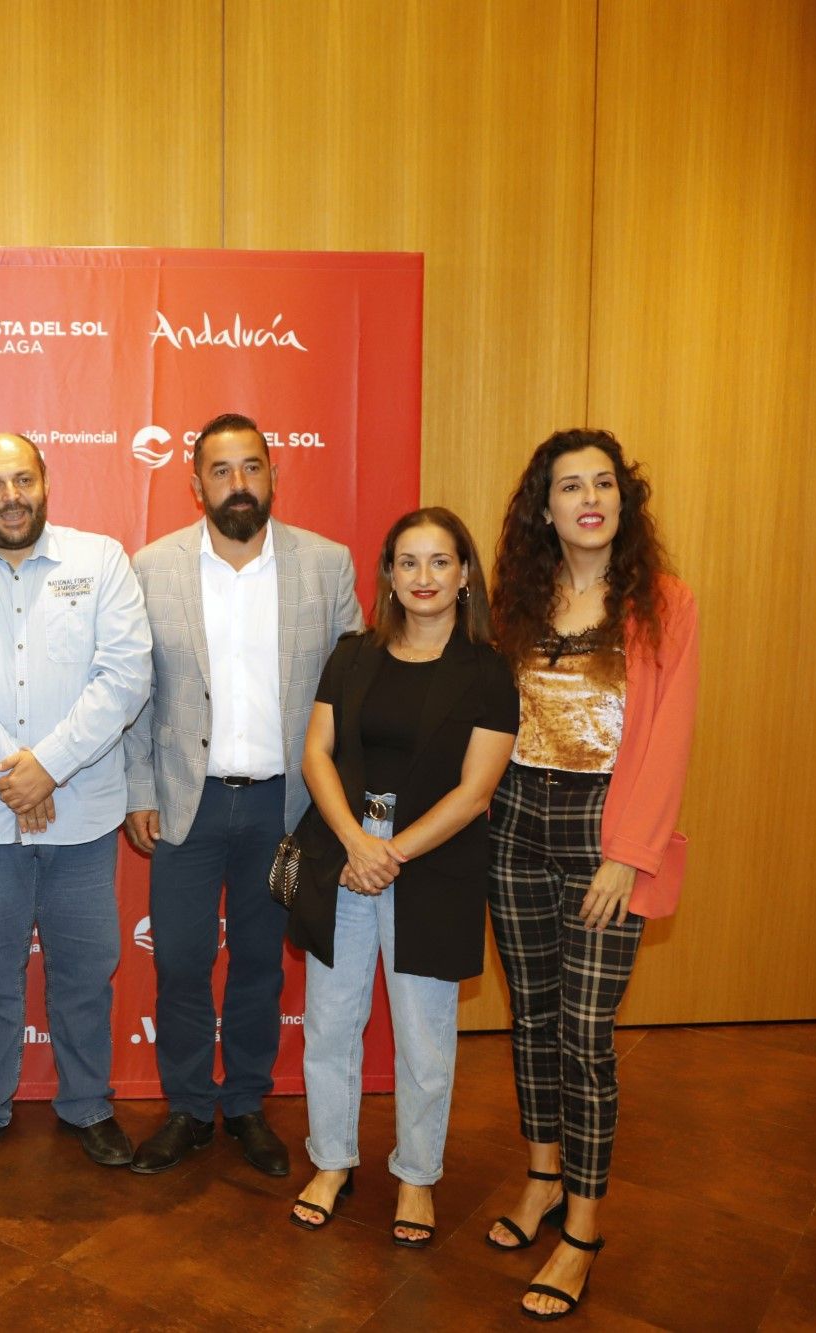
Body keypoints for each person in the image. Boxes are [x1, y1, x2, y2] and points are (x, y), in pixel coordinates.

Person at [483, 429, 698, 1320]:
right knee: (530, 1018)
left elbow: (672, 734)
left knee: (584, 1036)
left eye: (602, 482)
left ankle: (581, 1227)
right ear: (546, 507)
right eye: (569, 486)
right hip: (514, 823)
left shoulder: (665, 604)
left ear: (623, 498)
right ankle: (540, 1180)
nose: (588, 498)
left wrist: (628, 853)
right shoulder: (516, 600)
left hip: (606, 830)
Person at [121, 413, 363, 1177]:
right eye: (220, 471)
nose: (237, 485)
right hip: (184, 805)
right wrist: (137, 787)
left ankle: (248, 1102)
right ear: (195, 482)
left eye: (251, 468)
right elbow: (132, 690)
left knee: (261, 963)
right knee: (184, 964)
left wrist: (342, 808)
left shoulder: (326, 566)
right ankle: (191, 1106)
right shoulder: (149, 567)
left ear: (273, 475)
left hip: (283, 810)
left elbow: (352, 692)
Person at [0, 433, 151, 1172]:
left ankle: (88, 1104)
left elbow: (126, 674)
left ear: (45, 482)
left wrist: (47, 766)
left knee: (85, 965)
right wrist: (16, 773)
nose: (10, 496)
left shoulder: (100, 558)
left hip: (80, 807)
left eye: (22, 480)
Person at [284, 509, 517, 1245]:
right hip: (346, 853)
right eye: (407, 562)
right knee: (329, 1022)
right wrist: (358, 842)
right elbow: (317, 753)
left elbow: (475, 792)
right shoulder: (353, 654)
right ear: (387, 574)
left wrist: (392, 853)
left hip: (431, 863)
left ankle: (417, 1175)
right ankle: (331, 1160)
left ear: (464, 575)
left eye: (439, 562)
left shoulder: (487, 670)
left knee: (424, 1036)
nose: (423, 578)